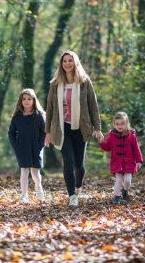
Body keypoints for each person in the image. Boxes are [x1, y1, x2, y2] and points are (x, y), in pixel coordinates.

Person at [44, 50, 103, 207]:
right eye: (65, 61)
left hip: (81, 128)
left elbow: (93, 106)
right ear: (61, 64)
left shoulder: (84, 82)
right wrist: (48, 132)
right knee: (68, 162)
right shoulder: (55, 84)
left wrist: (97, 128)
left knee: (79, 166)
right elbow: (49, 109)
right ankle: (72, 196)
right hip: (62, 129)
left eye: (70, 61)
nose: (67, 64)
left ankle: (78, 186)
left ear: (75, 62)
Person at [8, 89, 46, 203]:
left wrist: (40, 145)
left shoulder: (39, 116)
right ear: (20, 101)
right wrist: (16, 146)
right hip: (22, 148)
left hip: (37, 147)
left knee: (35, 172)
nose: (26, 101)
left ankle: (38, 189)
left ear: (34, 101)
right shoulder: (17, 117)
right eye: (24, 99)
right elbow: (11, 133)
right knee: (24, 171)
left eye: (29, 99)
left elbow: (44, 132)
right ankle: (24, 195)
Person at [99, 112, 143, 204]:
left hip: (129, 162)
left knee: (127, 181)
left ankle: (125, 191)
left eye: (122, 123)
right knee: (118, 180)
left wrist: (139, 161)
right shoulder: (112, 135)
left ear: (126, 123)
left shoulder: (131, 136)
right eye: (117, 124)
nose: (119, 126)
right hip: (117, 163)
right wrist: (102, 141)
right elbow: (107, 147)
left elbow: (136, 149)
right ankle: (116, 196)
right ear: (114, 124)